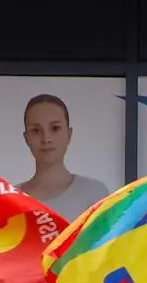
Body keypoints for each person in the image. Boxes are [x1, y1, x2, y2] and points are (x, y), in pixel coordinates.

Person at [13, 93, 109, 222]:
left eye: (55, 128)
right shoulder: (11, 200)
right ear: (26, 138)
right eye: (36, 130)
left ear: (69, 134)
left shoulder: (94, 193)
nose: (46, 139)